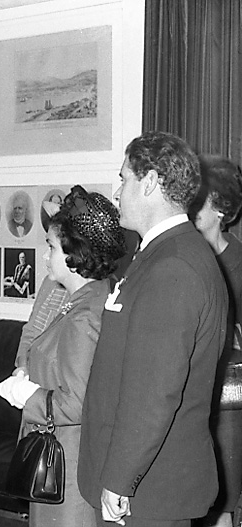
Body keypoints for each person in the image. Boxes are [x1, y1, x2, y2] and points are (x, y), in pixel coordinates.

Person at [78, 131, 229, 527]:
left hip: (147, 491)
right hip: (148, 483)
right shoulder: (163, 253)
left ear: (149, 184)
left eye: (124, 177)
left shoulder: (173, 265)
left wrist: (119, 479)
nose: (117, 189)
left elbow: (153, 391)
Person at [0, 186, 126, 527]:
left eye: (51, 247)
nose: (44, 256)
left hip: (68, 463)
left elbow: (77, 402)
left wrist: (27, 395)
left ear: (73, 254)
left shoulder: (85, 313)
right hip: (62, 456)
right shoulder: (83, 298)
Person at [190, 155, 242, 527]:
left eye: (200, 200)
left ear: (221, 208)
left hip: (228, 402)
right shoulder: (185, 255)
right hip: (191, 394)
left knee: (222, 502)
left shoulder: (240, 261)